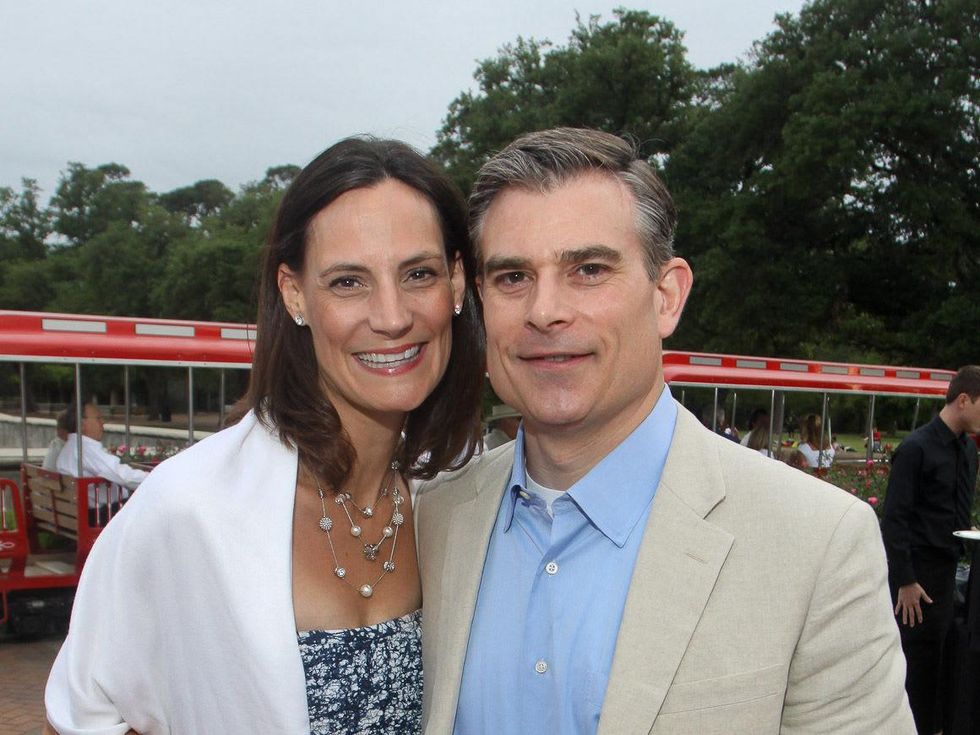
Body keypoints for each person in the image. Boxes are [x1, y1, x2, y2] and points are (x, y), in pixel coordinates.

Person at [416, 127, 914, 733]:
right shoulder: (434, 519)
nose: (544, 310)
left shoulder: (816, 545)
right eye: (512, 277)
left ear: (666, 296)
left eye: (589, 269)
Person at [44, 138, 485, 734]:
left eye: (418, 273)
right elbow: (80, 715)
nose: (391, 315)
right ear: (294, 293)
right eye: (348, 282)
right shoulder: (190, 508)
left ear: (456, 283)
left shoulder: (460, 496)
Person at [881, 365, 980, 735]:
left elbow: (955, 512)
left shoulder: (967, 450)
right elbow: (894, 520)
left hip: (952, 572)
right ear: (964, 400)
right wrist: (905, 579)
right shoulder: (915, 448)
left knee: (947, 664)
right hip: (918, 579)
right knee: (916, 668)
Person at [55, 401, 148, 523]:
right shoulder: (85, 449)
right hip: (101, 515)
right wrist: (156, 477)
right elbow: (122, 475)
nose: (102, 422)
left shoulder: (71, 447)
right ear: (81, 424)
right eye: (98, 418)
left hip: (79, 514)